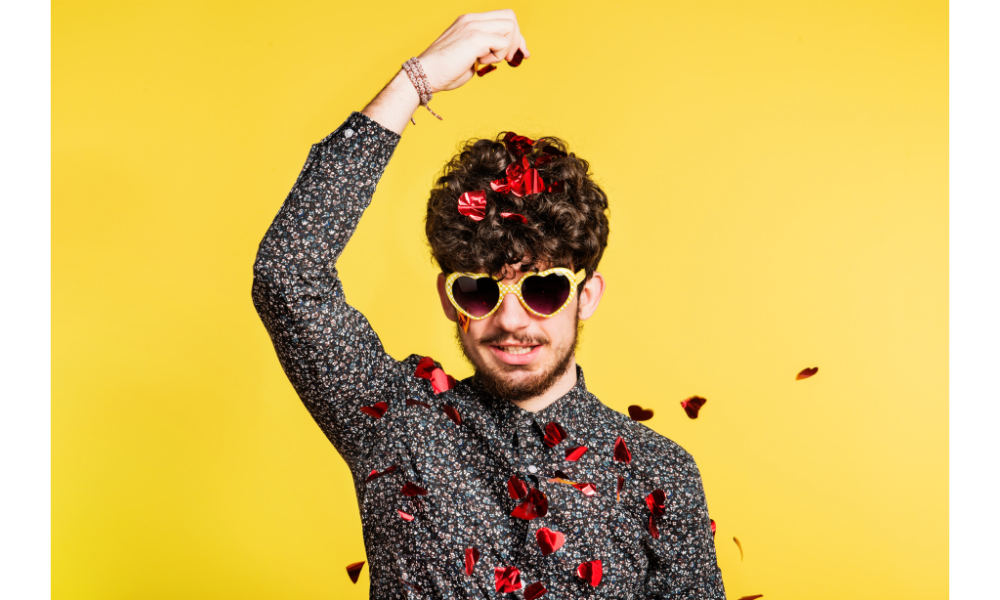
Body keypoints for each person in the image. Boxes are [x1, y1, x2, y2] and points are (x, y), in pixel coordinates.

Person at [253, 10, 725, 599]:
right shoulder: (400, 424)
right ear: (451, 302)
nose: (509, 319)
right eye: (479, 291)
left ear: (587, 296)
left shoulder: (662, 475)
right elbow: (287, 274)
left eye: (542, 289)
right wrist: (414, 81)